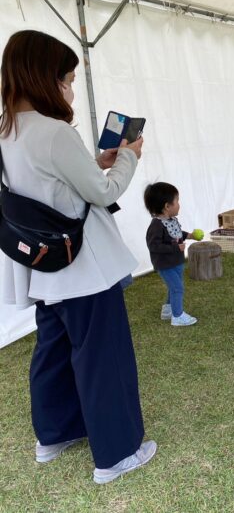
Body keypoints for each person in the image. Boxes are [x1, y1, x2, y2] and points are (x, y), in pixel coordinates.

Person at [0, 30, 155, 483]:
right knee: (102, 357)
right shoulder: (54, 132)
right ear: (46, 78)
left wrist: (96, 161)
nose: (69, 87)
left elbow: (49, 183)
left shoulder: (7, 127)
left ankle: (54, 434)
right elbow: (103, 192)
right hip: (82, 266)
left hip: (42, 266)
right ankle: (117, 454)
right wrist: (127, 157)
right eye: (67, 78)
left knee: (52, 351)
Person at [144, 181, 201, 326]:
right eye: (177, 201)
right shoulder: (156, 225)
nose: (179, 205)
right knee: (177, 288)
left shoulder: (171, 220)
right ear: (167, 206)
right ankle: (177, 316)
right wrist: (176, 248)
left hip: (176, 262)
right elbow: (154, 246)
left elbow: (176, 233)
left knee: (174, 286)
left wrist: (189, 236)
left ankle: (168, 310)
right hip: (165, 264)